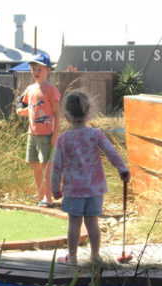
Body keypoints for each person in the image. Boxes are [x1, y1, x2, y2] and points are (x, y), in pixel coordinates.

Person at [51, 90, 130, 266]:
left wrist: (55, 188)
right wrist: (122, 169)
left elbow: (57, 166)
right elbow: (111, 152)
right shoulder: (95, 134)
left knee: (74, 224)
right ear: (88, 113)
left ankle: (72, 258)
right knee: (92, 222)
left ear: (66, 115)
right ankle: (95, 256)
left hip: (73, 190)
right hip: (95, 189)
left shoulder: (63, 139)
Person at [16, 52, 61, 208]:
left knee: (46, 166)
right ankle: (40, 193)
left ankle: (48, 198)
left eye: (39, 69)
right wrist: (23, 111)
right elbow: (29, 106)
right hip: (32, 133)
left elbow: (56, 112)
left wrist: (56, 134)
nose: (35, 72)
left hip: (46, 134)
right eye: (33, 69)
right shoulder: (30, 89)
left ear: (48, 70)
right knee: (34, 164)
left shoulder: (51, 90)